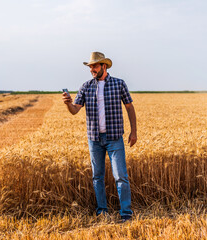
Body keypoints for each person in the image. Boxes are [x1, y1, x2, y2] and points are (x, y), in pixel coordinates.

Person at [62, 51, 137, 222]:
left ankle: (126, 212)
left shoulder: (119, 84)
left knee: (121, 176)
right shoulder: (86, 86)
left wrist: (134, 132)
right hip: (94, 139)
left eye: (95, 66)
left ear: (104, 66)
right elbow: (75, 110)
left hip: (114, 138)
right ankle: (102, 210)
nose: (92, 70)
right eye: (90, 67)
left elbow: (130, 108)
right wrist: (68, 103)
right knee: (97, 176)